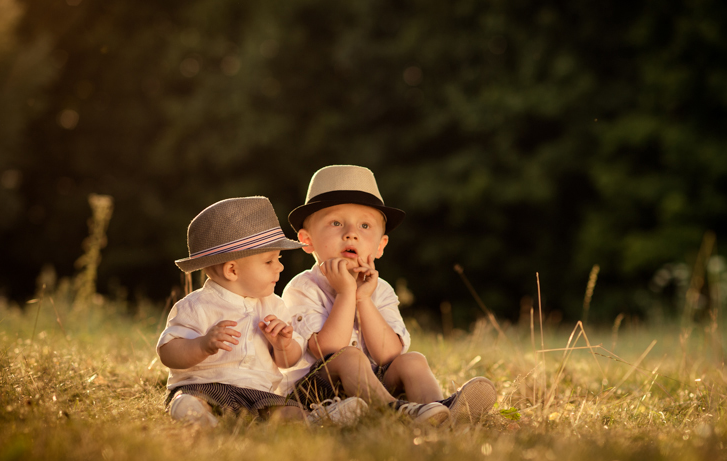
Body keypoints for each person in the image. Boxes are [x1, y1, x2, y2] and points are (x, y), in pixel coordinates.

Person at [281, 165, 497, 426]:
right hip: (316, 394)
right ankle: (396, 412)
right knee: (349, 356)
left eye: (364, 225)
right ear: (307, 241)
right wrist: (347, 293)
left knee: (412, 361)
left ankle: (437, 412)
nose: (351, 233)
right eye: (335, 222)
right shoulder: (302, 288)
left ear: (380, 245)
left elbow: (387, 355)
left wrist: (363, 299)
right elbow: (327, 351)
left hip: (372, 386)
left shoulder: (379, 289)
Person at [157, 196, 367, 427]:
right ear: (232, 270)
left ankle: (317, 420)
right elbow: (168, 353)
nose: (280, 266)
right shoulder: (196, 306)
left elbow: (290, 360)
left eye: (278, 259)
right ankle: (196, 415)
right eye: (269, 262)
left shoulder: (274, 305)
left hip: (259, 392)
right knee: (192, 398)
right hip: (205, 384)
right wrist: (201, 345)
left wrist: (283, 345)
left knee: (286, 410)